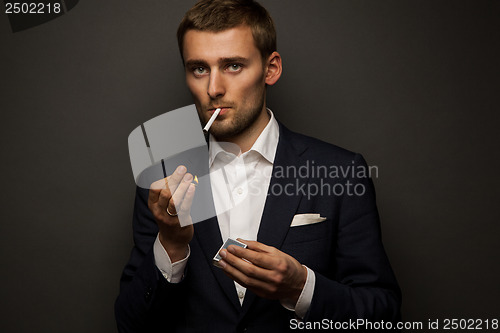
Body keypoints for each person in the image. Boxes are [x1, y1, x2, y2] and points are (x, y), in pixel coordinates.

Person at [115, 0, 401, 331]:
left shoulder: (341, 171)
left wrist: (301, 287)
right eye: (199, 69)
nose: (214, 89)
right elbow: (130, 323)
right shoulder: (161, 178)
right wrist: (171, 245)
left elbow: (383, 315)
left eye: (233, 66)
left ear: (271, 69)